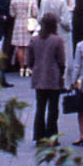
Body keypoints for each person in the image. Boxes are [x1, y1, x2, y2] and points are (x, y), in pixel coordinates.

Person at [29, 12, 68, 143]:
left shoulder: (34, 40)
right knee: (53, 109)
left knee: (40, 108)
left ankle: (39, 136)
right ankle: (52, 136)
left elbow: (30, 60)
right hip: (53, 77)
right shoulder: (57, 40)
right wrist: (61, 72)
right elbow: (61, 61)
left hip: (39, 76)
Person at [9, 0, 39, 77]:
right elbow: (35, 13)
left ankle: (21, 68)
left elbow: (12, 13)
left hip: (18, 23)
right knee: (29, 47)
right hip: (29, 23)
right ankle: (29, 68)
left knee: (20, 47)